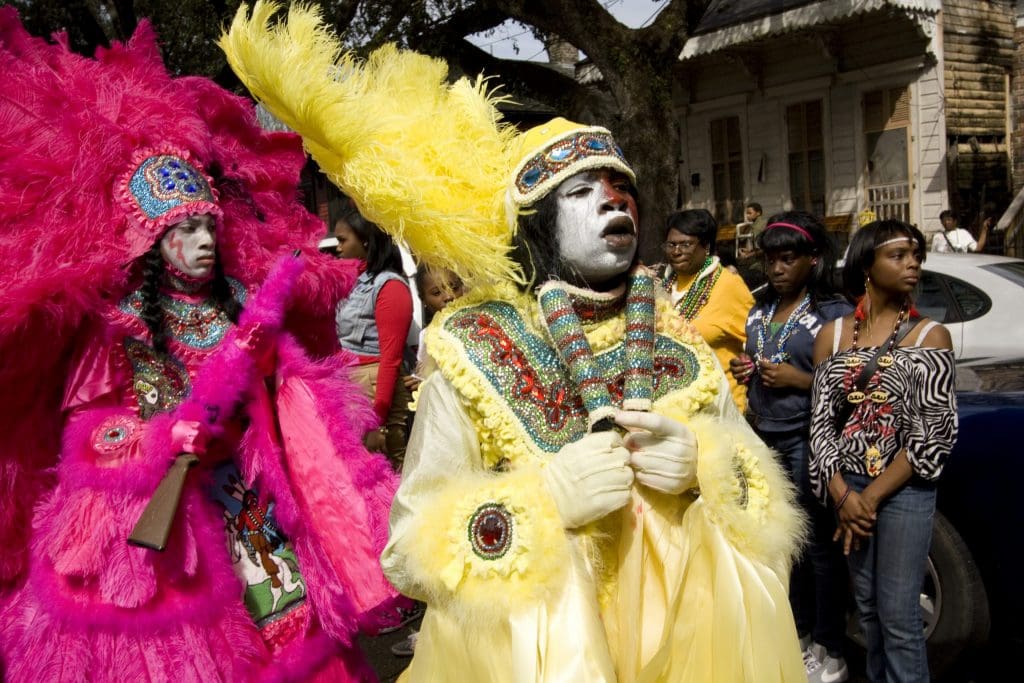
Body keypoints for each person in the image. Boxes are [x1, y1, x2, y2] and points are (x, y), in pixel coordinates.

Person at [223, 12, 808, 679]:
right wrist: (546, 500)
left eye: (623, 192)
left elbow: (767, 506)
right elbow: (411, 549)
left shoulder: (677, 339)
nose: (613, 204)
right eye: (585, 192)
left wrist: (703, 468)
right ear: (537, 226)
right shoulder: (476, 344)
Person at [0, 13, 401, 680]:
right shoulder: (115, 326)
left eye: (208, 227)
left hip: (257, 503)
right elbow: (89, 434)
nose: (205, 242)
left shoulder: (241, 305)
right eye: (184, 232)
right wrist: (161, 439)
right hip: (169, 531)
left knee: (302, 641)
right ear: (151, 244)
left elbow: (292, 395)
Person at [810, 220, 957, 683]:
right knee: (869, 611)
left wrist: (867, 500)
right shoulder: (831, 337)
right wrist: (842, 495)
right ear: (867, 265)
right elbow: (819, 428)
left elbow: (934, 434)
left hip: (902, 490)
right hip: (846, 488)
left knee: (899, 620)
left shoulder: (929, 336)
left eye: (916, 254)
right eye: (899, 255)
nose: (912, 263)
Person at [729, 211, 853, 683]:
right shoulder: (760, 310)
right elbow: (762, 358)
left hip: (807, 438)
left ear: (813, 260)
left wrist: (799, 379)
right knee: (786, 545)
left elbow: (848, 387)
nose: (776, 269)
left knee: (820, 547)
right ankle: (798, 633)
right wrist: (749, 370)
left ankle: (832, 646)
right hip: (764, 436)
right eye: (770, 260)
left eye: (787, 259)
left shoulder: (832, 313)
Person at [334, 207, 414, 469]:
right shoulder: (352, 282)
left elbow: (391, 358)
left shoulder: (389, 286)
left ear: (365, 240)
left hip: (375, 390)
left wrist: (376, 419)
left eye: (343, 240)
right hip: (351, 386)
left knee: (387, 475)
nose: (337, 247)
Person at [657, 208, 754, 410]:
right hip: (674, 406)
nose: (676, 251)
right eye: (671, 244)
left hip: (720, 407)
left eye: (686, 244)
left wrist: (750, 363)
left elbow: (764, 334)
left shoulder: (728, 285)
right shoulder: (660, 287)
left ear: (706, 246)